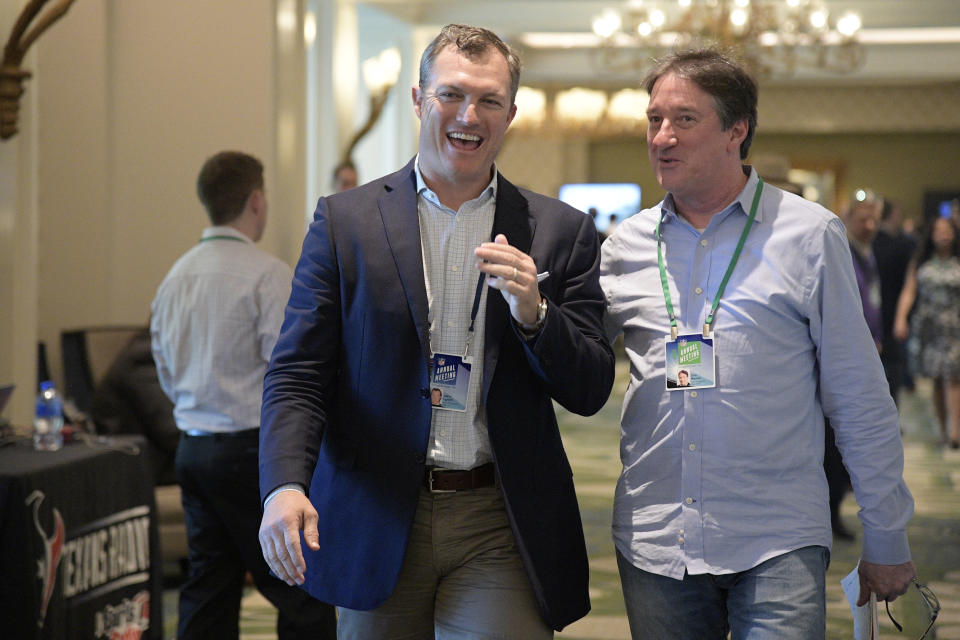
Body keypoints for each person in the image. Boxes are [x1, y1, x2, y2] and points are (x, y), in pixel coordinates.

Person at [257, 24, 614, 638]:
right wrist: (284, 484)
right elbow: (299, 373)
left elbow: (590, 389)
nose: (468, 115)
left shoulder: (560, 232)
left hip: (500, 518)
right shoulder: (345, 223)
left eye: (489, 101)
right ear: (420, 100)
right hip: (377, 510)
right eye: (451, 94)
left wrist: (536, 316)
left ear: (511, 115)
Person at [600, 48, 915, 639]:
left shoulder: (808, 235)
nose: (662, 137)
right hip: (655, 538)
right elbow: (578, 364)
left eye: (684, 120)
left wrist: (886, 533)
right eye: (653, 120)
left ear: (735, 130)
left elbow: (858, 396)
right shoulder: (624, 247)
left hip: (776, 538)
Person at [150, 151, 336, 639]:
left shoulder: (175, 278)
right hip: (254, 455)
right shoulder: (266, 275)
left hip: (191, 450)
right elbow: (290, 373)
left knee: (208, 587)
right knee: (299, 589)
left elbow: (165, 372)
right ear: (257, 200)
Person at [894, 215, 960, 449]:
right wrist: (901, 318)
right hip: (930, 328)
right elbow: (909, 291)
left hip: (955, 328)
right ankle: (943, 429)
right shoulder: (921, 261)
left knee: (953, 377)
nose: (943, 234)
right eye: (938, 230)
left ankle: (955, 432)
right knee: (937, 379)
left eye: (947, 230)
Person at [89, 327, 180, 486]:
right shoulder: (145, 358)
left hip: (167, 458)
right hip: (146, 468)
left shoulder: (166, 353)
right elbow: (173, 433)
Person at [874, 197, 917, 404]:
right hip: (894, 313)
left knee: (883, 368)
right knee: (893, 369)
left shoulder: (869, 243)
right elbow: (910, 284)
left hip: (874, 313)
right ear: (893, 215)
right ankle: (892, 413)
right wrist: (903, 316)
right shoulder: (904, 244)